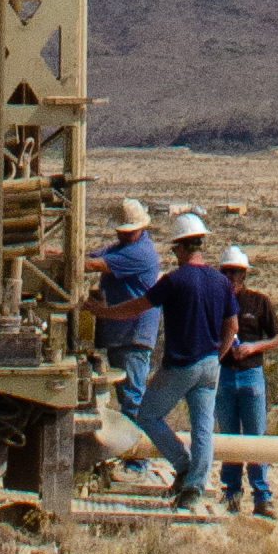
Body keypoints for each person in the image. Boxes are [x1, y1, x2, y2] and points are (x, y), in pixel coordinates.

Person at [128, 212, 237, 515]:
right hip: (209, 364)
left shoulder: (174, 281)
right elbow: (233, 326)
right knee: (203, 429)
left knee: (148, 415)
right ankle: (194, 486)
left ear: (180, 247)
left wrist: (100, 310)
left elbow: (138, 306)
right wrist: (218, 355)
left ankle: (184, 466)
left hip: (181, 364)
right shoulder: (221, 281)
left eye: (175, 249)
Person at [87, 198, 162, 473]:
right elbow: (95, 256)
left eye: (127, 229)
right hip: (121, 331)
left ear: (140, 228)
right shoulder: (123, 247)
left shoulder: (140, 253)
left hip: (134, 333)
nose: (123, 233)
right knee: (125, 395)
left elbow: (94, 265)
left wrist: (69, 260)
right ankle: (127, 453)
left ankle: (138, 457)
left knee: (133, 398)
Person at [214, 243, 278, 519]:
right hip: (224, 374)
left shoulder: (259, 302)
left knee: (255, 437)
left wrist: (253, 348)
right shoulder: (214, 302)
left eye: (236, 272)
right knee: (229, 436)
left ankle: (261, 495)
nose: (230, 277)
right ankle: (231, 492)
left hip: (252, 374)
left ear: (244, 274)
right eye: (226, 272)